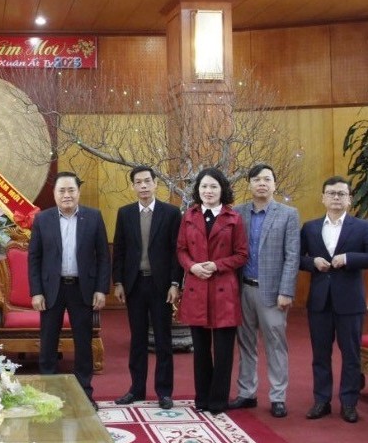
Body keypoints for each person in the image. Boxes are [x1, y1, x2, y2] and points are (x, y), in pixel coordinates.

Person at [28, 171, 110, 409]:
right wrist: (36, 291)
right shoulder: (43, 220)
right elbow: (34, 258)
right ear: (54, 194)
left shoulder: (93, 217)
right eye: (61, 191)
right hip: (51, 289)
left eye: (71, 190)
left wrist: (101, 289)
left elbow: (104, 256)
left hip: (82, 289)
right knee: (48, 344)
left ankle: (85, 393)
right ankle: (50, 394)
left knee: (83, 344)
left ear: (78, 192)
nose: (67, 195)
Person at [229, 164, 300, 418]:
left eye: (267, 179)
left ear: (274, 184)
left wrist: (287, 291)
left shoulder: (288, 214)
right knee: (245, 343)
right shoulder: (237, 213)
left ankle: (278, 396)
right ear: (249, 184)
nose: (262, 183)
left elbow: (292, 256)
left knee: (275, 345)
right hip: (243, 289)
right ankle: (247, 392)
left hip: (272, 292)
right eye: (257, 179)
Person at [176, 167, 247, 414]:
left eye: (213, 187)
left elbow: (241, 254)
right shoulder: (189, 215)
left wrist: (217, 265)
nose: (208, 191)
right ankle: (202, 399)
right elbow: (181, 250)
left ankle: (218, 400)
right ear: (198, 189)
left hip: (223, 290)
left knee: (224, 351)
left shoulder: (233, 218)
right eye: (204, 186)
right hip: (197, 288)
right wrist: (192, 266)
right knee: (201, 351)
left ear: (222, 189)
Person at [299, 176, 368, 424]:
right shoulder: (310, 227)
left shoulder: (362, 227)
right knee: (320, 354)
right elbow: (297, 258)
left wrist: (349, 258)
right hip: (319, 301)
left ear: (349, 198)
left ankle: (349, 403)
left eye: (341, 193)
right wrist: (312, 262)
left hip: (350, 302)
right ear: (323, 197)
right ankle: (321, 400)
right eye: (331, 193)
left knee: (350, 354)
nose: (336, 198)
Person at [112, 166, 181, 410]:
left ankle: (164, 392)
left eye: (147, 181)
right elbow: (119, 249)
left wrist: (175, 283)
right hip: (135, 284)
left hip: (161, 285)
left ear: (155, 184)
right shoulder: (125, 213)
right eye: (138, 182)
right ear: (133, 186)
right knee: (138, 339)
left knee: (163, 340)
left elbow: (176, 252)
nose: (143, 186)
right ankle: (136, 389)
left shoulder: (171, 213)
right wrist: (118, 281)